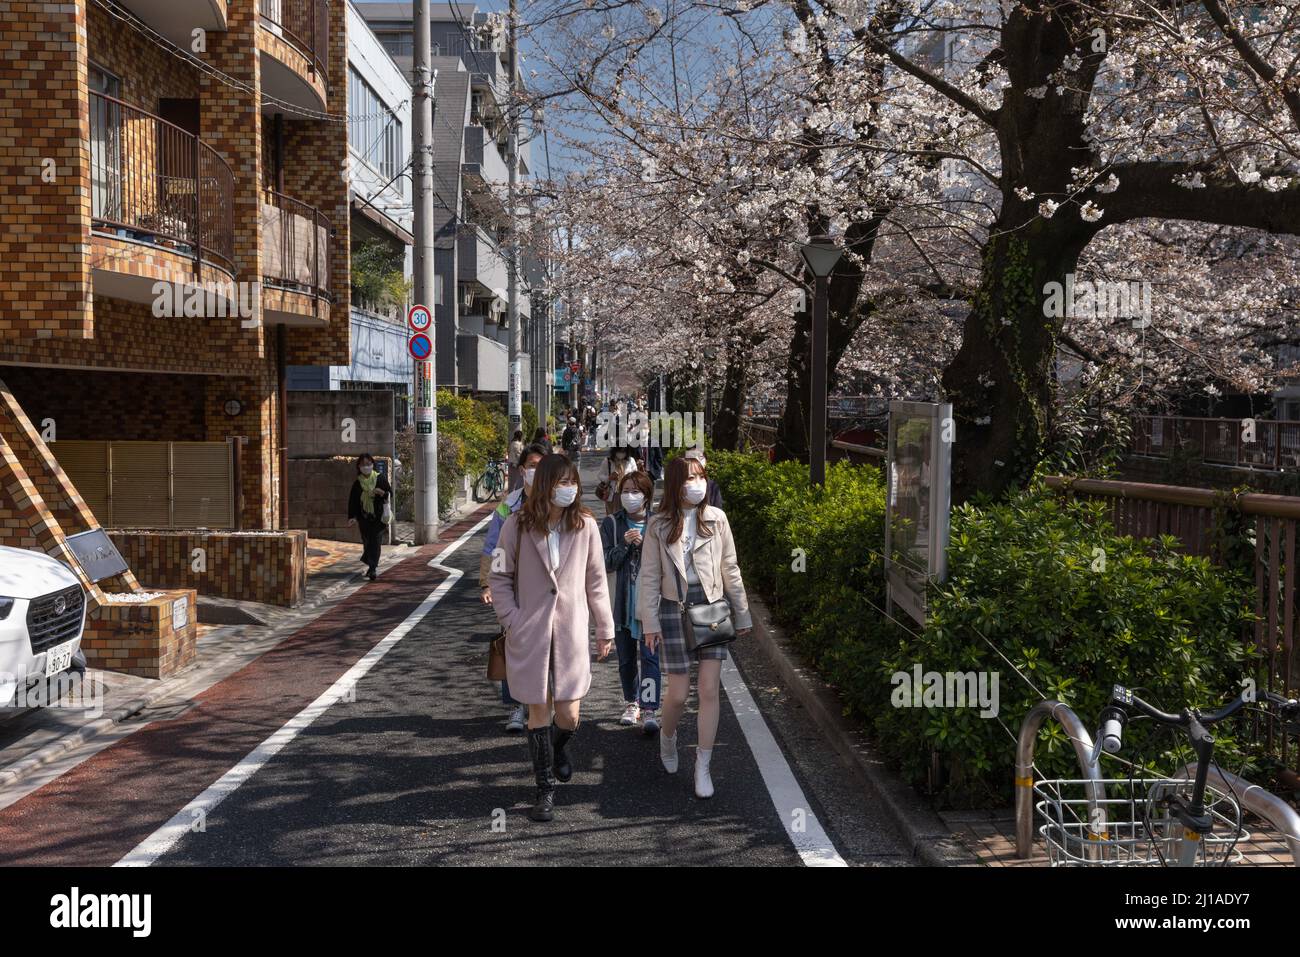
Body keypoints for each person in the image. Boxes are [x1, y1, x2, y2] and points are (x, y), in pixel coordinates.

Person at [490, 454, 615, 822]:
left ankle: (558, 749)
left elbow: (596, 580)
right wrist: (512, 620)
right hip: (529, 632)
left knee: (569, 714)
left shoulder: (586, 525)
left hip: (571, 632)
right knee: (538, 711)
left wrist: (604, 628)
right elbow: (499, 575)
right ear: (544, 485)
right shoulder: (517, 524)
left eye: (572, 481)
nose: (569, 488)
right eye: (561, 482)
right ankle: (545, 789)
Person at [638, 455, 751, 799]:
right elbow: (649, 576)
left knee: (708, 690)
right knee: (677, 693)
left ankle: (703, 764)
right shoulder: (658, 524)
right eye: (690, 478)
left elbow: (729, 567)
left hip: (712, 608)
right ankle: (668, 739)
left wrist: (742, 614)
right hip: (674, 609)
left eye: (701, 476)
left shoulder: (716, 519)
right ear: (675, 483)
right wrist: (650, 622)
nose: (697, 483)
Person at [481, 443, 548, 732]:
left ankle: (545, 704)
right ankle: (516, 708)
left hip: (546, 590)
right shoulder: (509, 505)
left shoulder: (557, 505)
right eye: (531, 466)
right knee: (513, 644)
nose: (535, 471)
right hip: (513, 586)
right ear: (522, 470)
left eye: (540, 466)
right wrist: (488, 584)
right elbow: (494, 547)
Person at [601, 470, 660, 733]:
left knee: (650, 657)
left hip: (650, 603)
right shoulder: (612, 524)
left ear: (646, 496)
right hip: (621, 602)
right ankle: (631, 702)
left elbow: (666, 561)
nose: (629, 496)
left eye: (635, 491)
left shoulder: (658, 523)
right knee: (625, 659)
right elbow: (604, 562)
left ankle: (649, 708)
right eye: (625, 491)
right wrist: (624, 546)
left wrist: (645, 542)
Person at [347, 453, 390, 581]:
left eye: (368, 464)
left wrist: (382, 493)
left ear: (372, 465)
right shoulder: (357, 483)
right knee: (367, 541)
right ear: (358, 466)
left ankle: (372, 569)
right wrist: (352, 517)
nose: (366, 466)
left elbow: (389, 493)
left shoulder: (380, 478)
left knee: (376, 542)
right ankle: (370, 562)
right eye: (363, 464)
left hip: (378, 517)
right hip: (363, 517)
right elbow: (353, 501)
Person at [596, 445, 639, 517]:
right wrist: (609, 478)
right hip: (612, 494)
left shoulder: (630, 461)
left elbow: (635, 475)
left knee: (626, 515)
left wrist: (627, 477)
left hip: (627, 493)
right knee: (612, 516)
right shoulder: (608, 461)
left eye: (623, 452)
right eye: (619, 451)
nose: (621, 454)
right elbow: (600, 475)